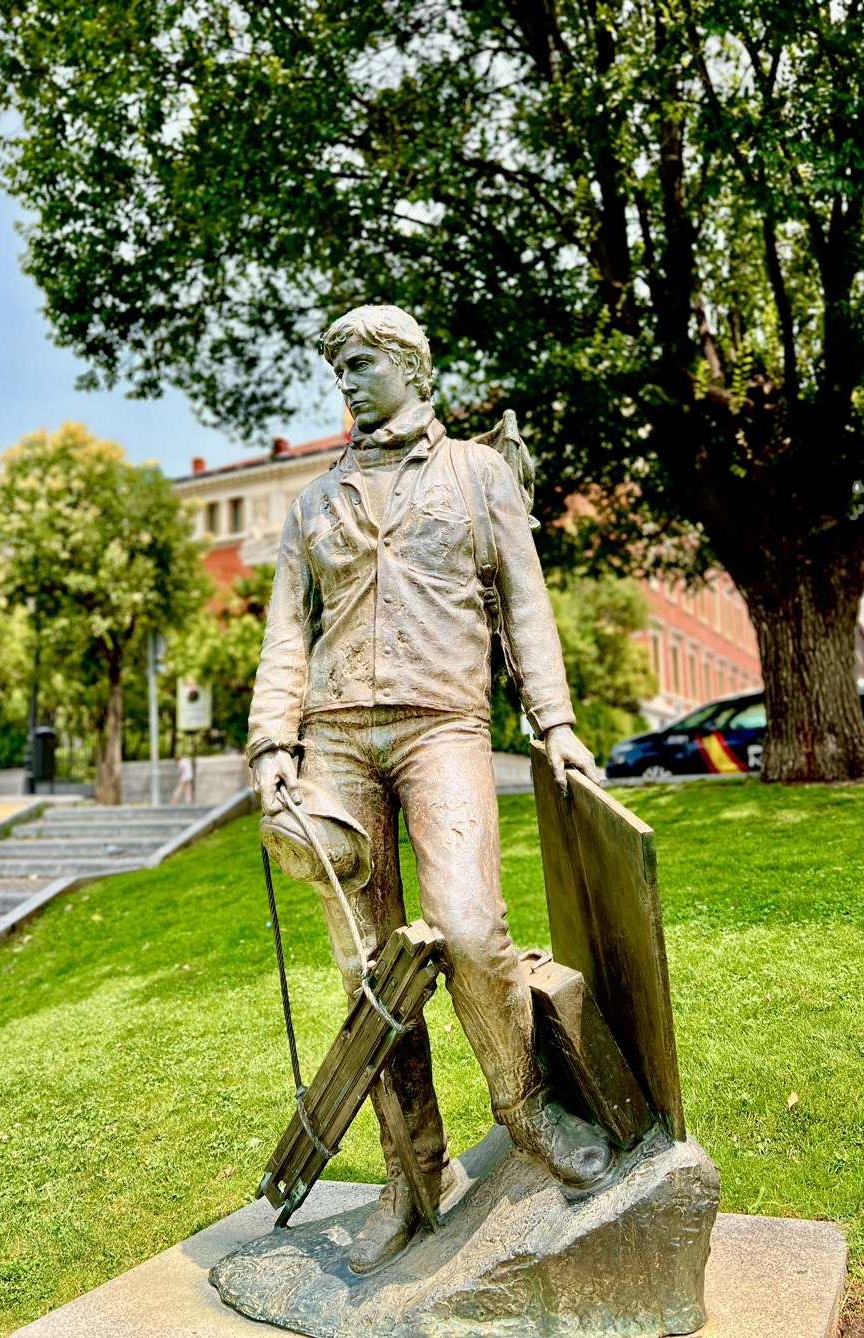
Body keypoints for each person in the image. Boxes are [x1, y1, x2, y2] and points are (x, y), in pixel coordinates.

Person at [247, 305, 610, 1274]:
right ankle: (412, 1172)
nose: (346, 383)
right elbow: (286, 629)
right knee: (368, 974)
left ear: (410, 366)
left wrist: (555, 722)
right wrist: (271, 742)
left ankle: (524, 1111)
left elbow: (525, 602)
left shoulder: (478, 473)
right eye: (337, 369)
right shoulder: (314, 502)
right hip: (332, 742)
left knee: (469, 926)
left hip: (442, 724)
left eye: (361, 364)